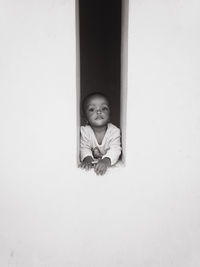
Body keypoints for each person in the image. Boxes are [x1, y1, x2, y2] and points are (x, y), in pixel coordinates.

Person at [80, 92, 121, 175]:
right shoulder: (85, 131)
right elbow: (84, 148)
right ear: (85, 118)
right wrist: (87, 158)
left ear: (110, 115)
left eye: (104, 108)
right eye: (92, 109)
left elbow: (115, 149)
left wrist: (106, 161)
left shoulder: (114, 131)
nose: (98, 111)